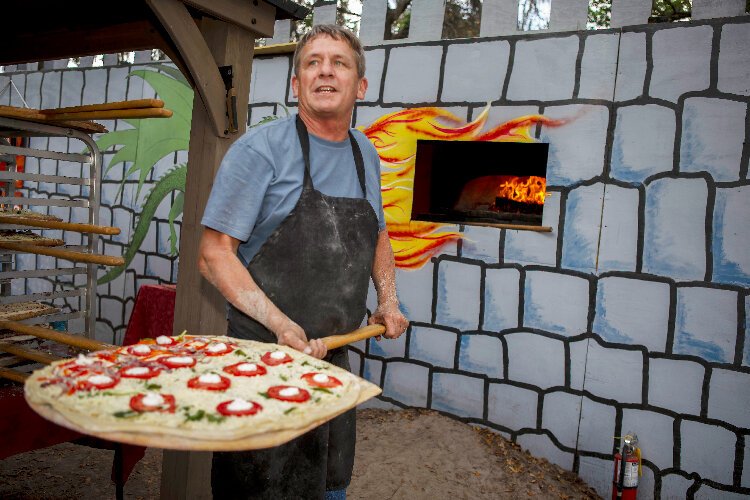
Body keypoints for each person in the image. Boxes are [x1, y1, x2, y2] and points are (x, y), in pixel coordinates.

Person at [198, 24, 409, 499]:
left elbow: (376, 234)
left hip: (333, 365)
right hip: (262, 364)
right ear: (296, 85)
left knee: (328, 488)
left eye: (339, 62)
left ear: (361, 85)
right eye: (312, 62)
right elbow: (213, 256)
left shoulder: (365, 154)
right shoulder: (260, 150)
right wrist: (280, 325)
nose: (325, 72)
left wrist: (388, 301)